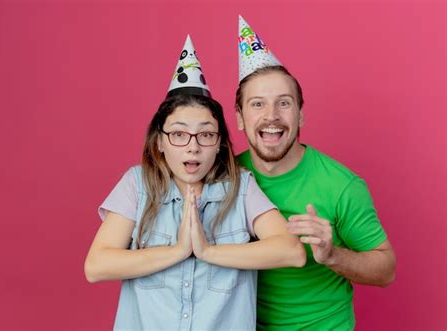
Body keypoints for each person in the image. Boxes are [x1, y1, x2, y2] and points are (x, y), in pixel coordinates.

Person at [84, 35, 306, 330]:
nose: (193, 147)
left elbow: (292, 251)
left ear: (219, 144)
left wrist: (207, 251)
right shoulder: (137, 184)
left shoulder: (241, 188)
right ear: (160, 142)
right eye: (178, 134)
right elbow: (96, 266)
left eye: (206, 134)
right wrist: (178, 250)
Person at [235, 16, 396, 330]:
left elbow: (386, 270)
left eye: (284, 103)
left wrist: (332, 254)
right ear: (240, 118)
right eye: (257, 104)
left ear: (301, 115)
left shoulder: (341, 185)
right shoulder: (226, 176)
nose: (271, 117)